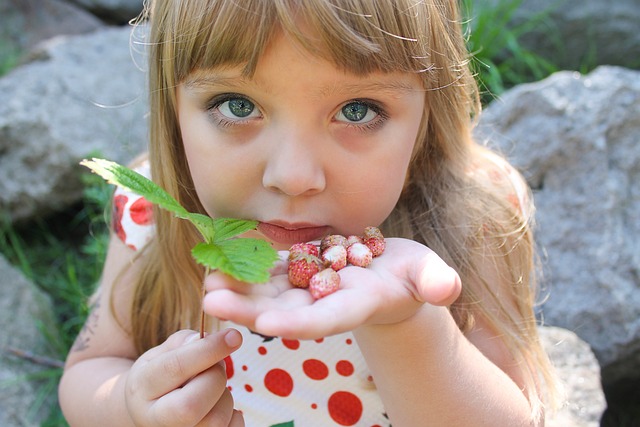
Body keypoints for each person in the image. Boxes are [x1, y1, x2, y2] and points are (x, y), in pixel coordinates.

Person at [59, 0, 561, 425]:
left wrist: (407, 326)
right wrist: (129, 407)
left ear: (429, 113)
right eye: (235, 105)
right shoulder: (154, 213)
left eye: (358, 109)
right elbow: (91, 368)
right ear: (173, 111)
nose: (293, 176)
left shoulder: (471, 215)